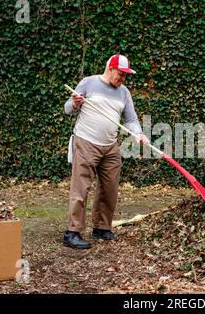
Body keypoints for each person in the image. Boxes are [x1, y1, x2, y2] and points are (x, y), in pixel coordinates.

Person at [63, 53, 149, 249]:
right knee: (81, 188)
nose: (123, 79)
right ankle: (73, 232)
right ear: (110, 69)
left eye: (126, 75)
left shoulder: (124, 92)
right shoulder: (88, 83)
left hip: (110, 146)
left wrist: (138, 133)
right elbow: (67, 108)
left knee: (109, 188)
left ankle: (101, 227)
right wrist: (75, 103)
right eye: (121, 74)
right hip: (86, 141)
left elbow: (131, 119)